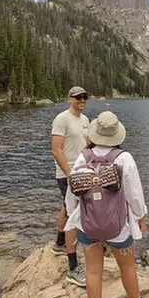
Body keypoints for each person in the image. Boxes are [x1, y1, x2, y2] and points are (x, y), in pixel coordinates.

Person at [65, 111, 149, 298]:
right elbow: (134, 195)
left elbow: (71, 195)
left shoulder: (83, 158)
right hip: (118, 226)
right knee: (127, 267)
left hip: (88, 225)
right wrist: (141, 216)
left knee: (93, 271)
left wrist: (74, 215)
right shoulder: (124, 159)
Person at [51, 86, 90, 287]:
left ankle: (59, 243)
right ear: (69, 99)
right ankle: (72, 266)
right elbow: (56, 150)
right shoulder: (62, 119)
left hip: (83, 172)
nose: (82, 100)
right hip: (68, 174)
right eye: (78, 97)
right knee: (75, 214)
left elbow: (88, 146)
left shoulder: (85, 120)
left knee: (67, 208)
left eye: (84, 97)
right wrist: (70, 174)